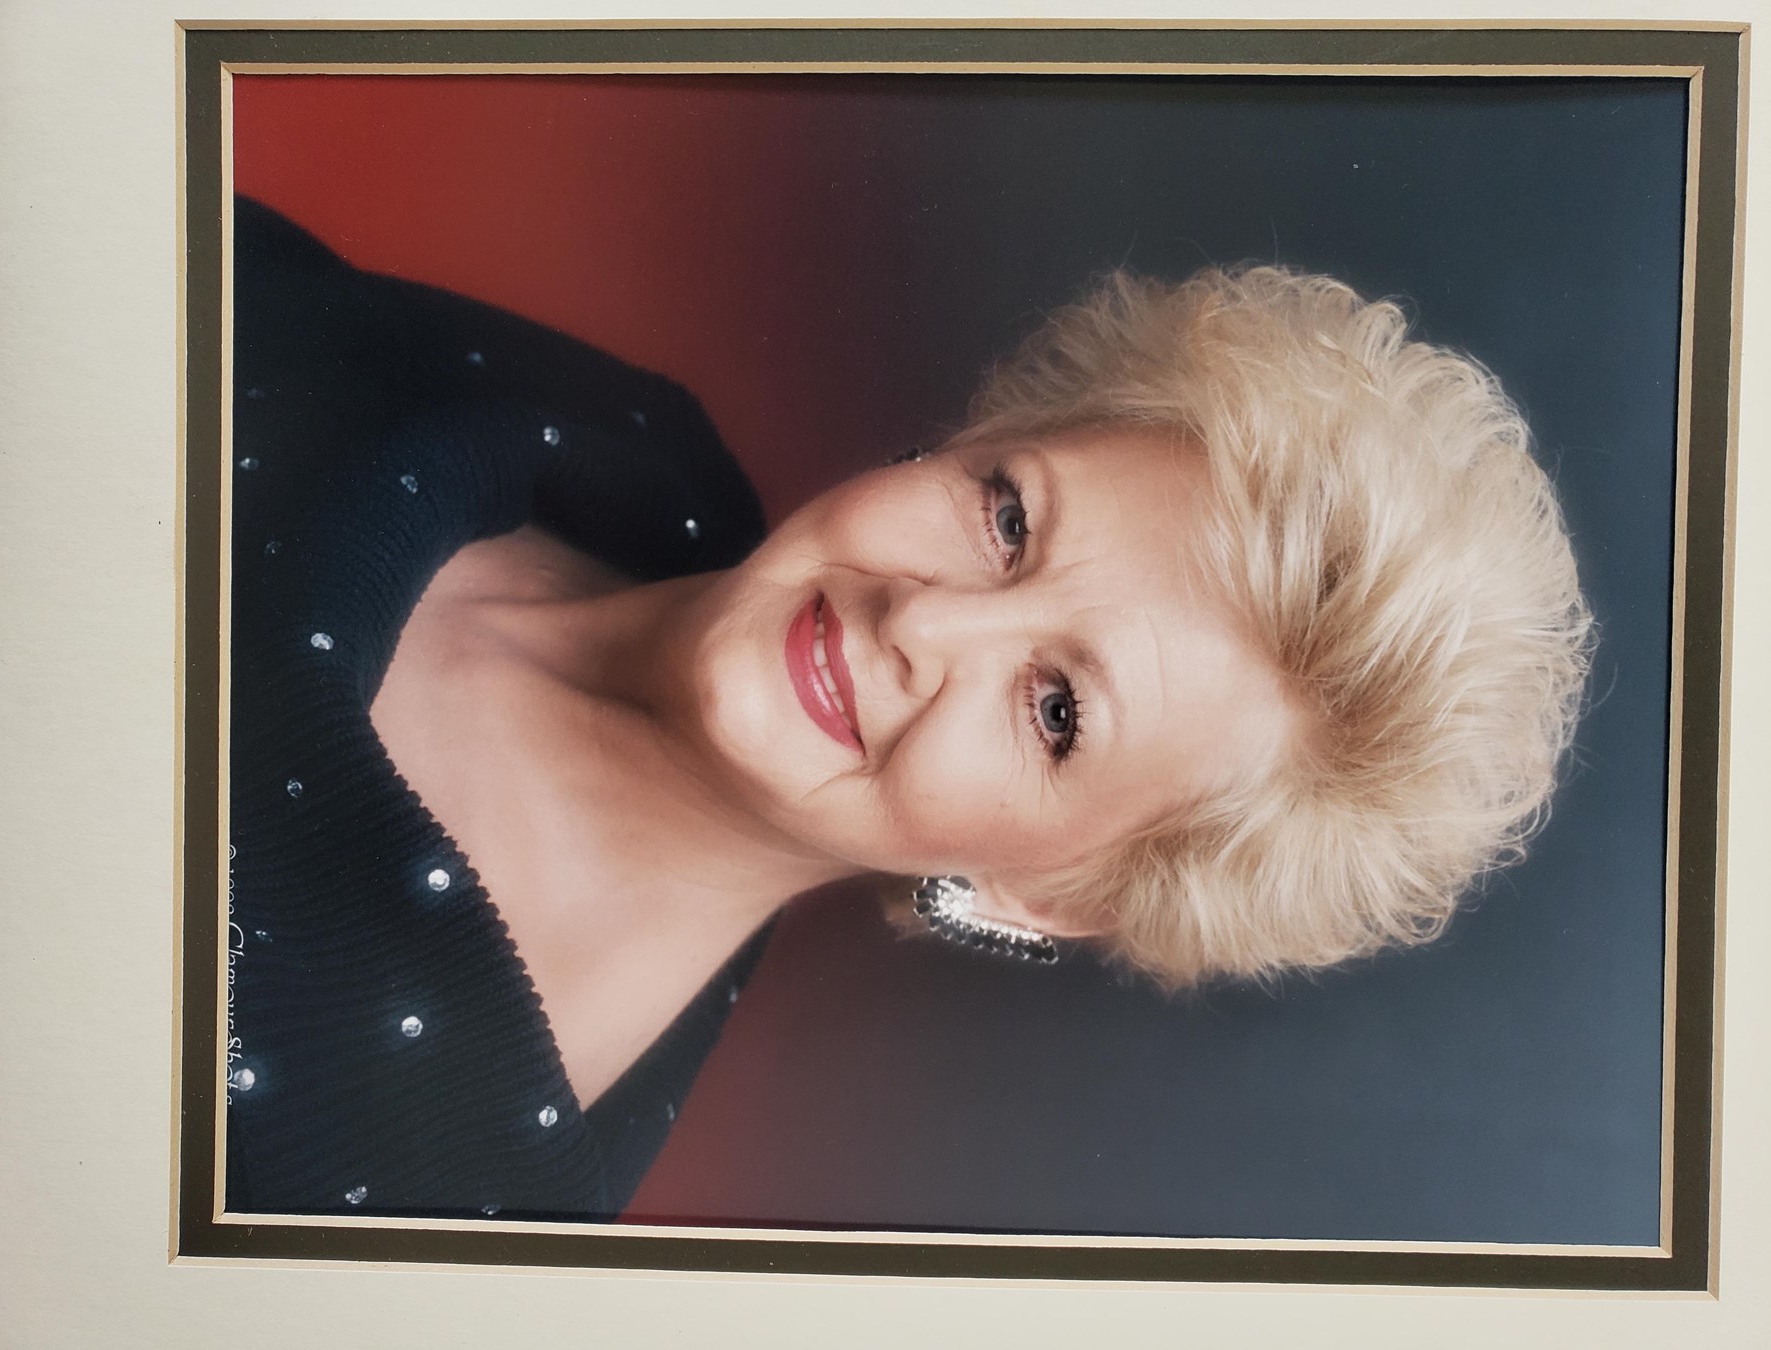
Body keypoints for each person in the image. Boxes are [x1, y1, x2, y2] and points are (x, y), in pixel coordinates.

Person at [223, 196, 1592, 1221]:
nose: (923, 623)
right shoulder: (631, 445)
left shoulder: (427, 1187)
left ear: (1049, 893)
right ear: (966, 442)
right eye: (1008, 518)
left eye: (1056, 713)